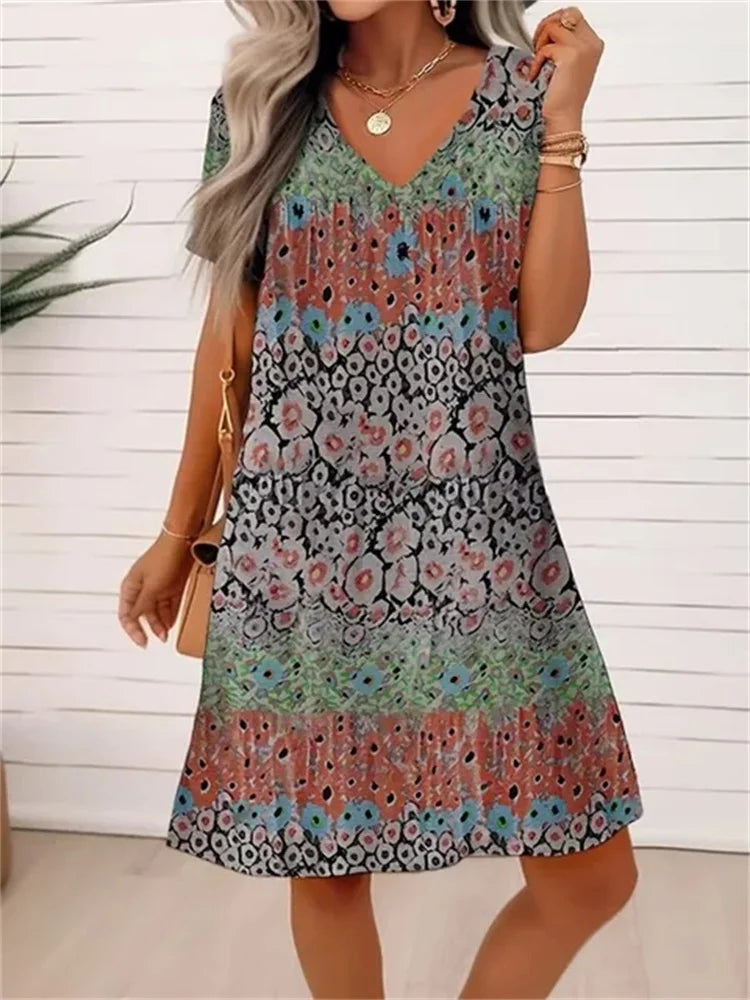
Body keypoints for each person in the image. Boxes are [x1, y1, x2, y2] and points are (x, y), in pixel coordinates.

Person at [119, 2, 643, 996]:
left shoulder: (517, 97)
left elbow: (542, 321)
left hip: (481, 542)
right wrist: (176, 531)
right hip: (296, 545)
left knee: (591, 877)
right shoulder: (259, 106)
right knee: (325, 866)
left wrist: (564, 126)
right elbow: (229, 341)